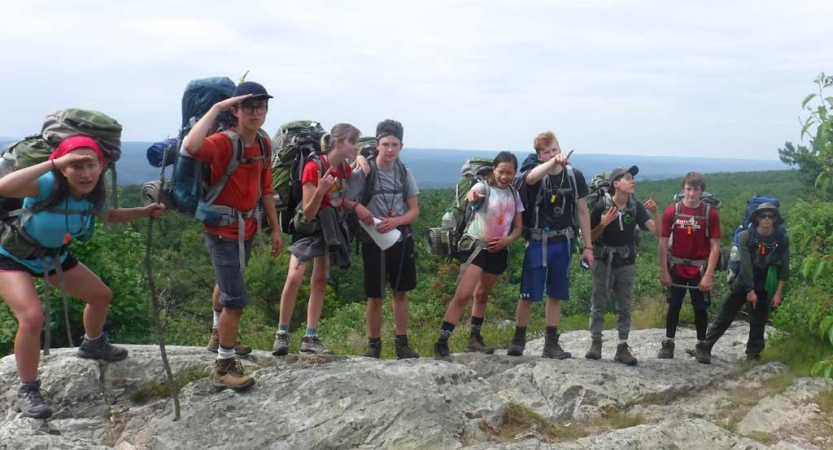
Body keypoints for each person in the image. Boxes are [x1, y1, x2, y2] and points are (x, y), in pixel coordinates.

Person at [0, 135, 165, 419]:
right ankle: (28, 388)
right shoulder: (48, 184)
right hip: (12, 256)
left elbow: (106, 215)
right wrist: (53, 164)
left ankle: (92, 343)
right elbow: (4, 187)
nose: (86, 173)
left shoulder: (93, 194)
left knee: (101, 296)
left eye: (92, 165)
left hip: (53, 257)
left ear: (101, 166)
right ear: (64, 169)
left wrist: (142, 212)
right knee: (31, 317)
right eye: (76, 166)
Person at [182, 81, 283, 391]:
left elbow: (266, 188)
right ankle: (223, 367)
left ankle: (218, 337)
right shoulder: (223, 142)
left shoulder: (264, 144)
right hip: (222, 230)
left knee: (229, 283)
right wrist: (216, 109)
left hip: (247, 227)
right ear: (235, 110)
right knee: (236, 301)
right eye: (249, 106)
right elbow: (190, 147)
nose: (256, 112)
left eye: (261, 106)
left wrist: (276, 228)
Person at [272, 123, 361, 356]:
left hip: (329, 227)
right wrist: (321, 190)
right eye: (353, 142)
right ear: (339, 142)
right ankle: (281, 334)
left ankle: (310, 337)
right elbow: (309, 212)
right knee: (294, 277)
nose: (356, 147)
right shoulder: (313, 167)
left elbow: (340, 197)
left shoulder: (343, 168)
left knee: (320, 281)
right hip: (309, 227)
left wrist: (362, 163)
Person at [507, 131, 594, 358]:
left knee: (556, 294)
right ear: (539, 155)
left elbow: (583, 212)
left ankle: (551, 343)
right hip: (537, 241)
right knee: (528, 294)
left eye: (555, 149)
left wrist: (588, 246)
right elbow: (530, 178)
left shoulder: (575, 176)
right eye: (546, 152)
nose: (553, 154)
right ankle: (518, 340)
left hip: (563, 241)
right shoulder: (537, 175)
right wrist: (552, 163)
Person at [434, 151, 524, 360]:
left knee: (482, 295)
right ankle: (441, 342)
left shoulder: (514, 194)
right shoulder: (483, 187)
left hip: (498, 250)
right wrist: (472, 195)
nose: (505, 176)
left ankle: (474, 339)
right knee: (463, 295)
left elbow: (518, 227)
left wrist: (507, 241)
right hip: (475, 247)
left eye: (509, 172)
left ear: (514, 173)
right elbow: (472, 194)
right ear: (494, 169)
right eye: (501, 171)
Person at [348, 120, 421, 359]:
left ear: (401, 146)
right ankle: (374, 345)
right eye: (386, 144)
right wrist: (357, 207)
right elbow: (341, 197)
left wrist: (397, 221)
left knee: (400, 293)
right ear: (377, 144)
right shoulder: (364, 170)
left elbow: (414, 210)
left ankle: (402, 344)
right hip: (373, 241)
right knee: (375, 296)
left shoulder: (404, 171)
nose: (390, 150)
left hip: (400, 238)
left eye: (395, 145)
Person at [692, 203, 789, 363]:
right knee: (725, 314)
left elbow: (784, 267)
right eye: (763, 215)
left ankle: (753, 355)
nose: (766, 219)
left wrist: (778, 292)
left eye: (770, 216)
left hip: (766, 283)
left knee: (759, 319)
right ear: (756, 218)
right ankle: (704, 347)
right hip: (744, 280)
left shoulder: (781, 239)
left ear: (775, 218)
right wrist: (750, 290)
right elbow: (746, 265)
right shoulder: (746, 236)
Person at [584, 166, 659, 365]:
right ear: (616, 184)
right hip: (603, 260)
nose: (632, 180)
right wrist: (603, 223)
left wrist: (655, 213)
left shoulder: (635, 206)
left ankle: (622, 347)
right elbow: (589, 238)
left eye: (632, 178)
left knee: (624, 306)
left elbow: (657, 232)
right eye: (627, 178)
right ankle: (596, 343)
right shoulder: (602, 206)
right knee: (598, 302)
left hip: (626, 261)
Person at [658, 172, 720, 359]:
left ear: (702, 190)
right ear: (683, 189)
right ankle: (668, 343)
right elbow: (662, 242)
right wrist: (664, 272)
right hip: (676, 266)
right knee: (674, 305)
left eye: (696, 189)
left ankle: (702, 346)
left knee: (700, 307)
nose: (692, 194)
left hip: (699, 269)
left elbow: (715, 246)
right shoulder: (672, 212)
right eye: (689, 189)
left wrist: (708, 275)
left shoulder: (710, 214)